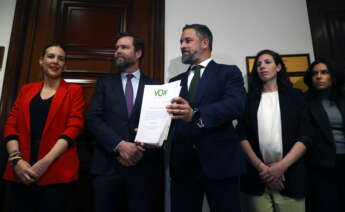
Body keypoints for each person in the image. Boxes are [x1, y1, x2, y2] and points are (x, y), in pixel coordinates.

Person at [166, 24, 246, 212]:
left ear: (204, 43)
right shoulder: (173, 82)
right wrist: (149, 135)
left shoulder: (228, 72)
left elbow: (236, 105)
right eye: (180, 42)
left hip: (221, 163)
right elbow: (168, 119)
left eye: (187, 40)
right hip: (183, 166)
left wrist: (196, 115)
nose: (182, 46)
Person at [3, 43, 85, 212]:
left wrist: (45, 162)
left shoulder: (73, 91)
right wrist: (16, 161)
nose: (55, 61)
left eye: (61, 59)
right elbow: (12, 124)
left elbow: (74, 127)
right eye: (51, 56)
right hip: (20, 169)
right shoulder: (26, 89)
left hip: (56, 169)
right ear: (41, 61)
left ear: (65, 65)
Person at [87, 32, 161, 212]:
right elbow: (93, 119)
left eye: (124, 47)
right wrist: (120, 145)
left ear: (138, 53)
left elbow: (161, 124)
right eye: (116, 48)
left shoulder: (156, 87)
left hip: (143, 167)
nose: (117, 51)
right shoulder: (104, 84)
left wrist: (139, 149)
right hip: (107, 166)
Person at [238, 49, 312, 212]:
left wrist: (281, 167)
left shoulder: (295, 96)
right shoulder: (249, 99)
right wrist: (262, 169)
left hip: (291, 177)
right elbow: (242, 136)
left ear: (278, 67)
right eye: (258, 64)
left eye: (267, 62)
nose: (262, 66)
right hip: (257, 179)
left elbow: (306, 135)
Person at [304, 59, 345, 212]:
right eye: (315, 73)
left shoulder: (342, 98)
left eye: (324, 72)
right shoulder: (305, 102)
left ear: (332, 76)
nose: (319, 76)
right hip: (322, 164)